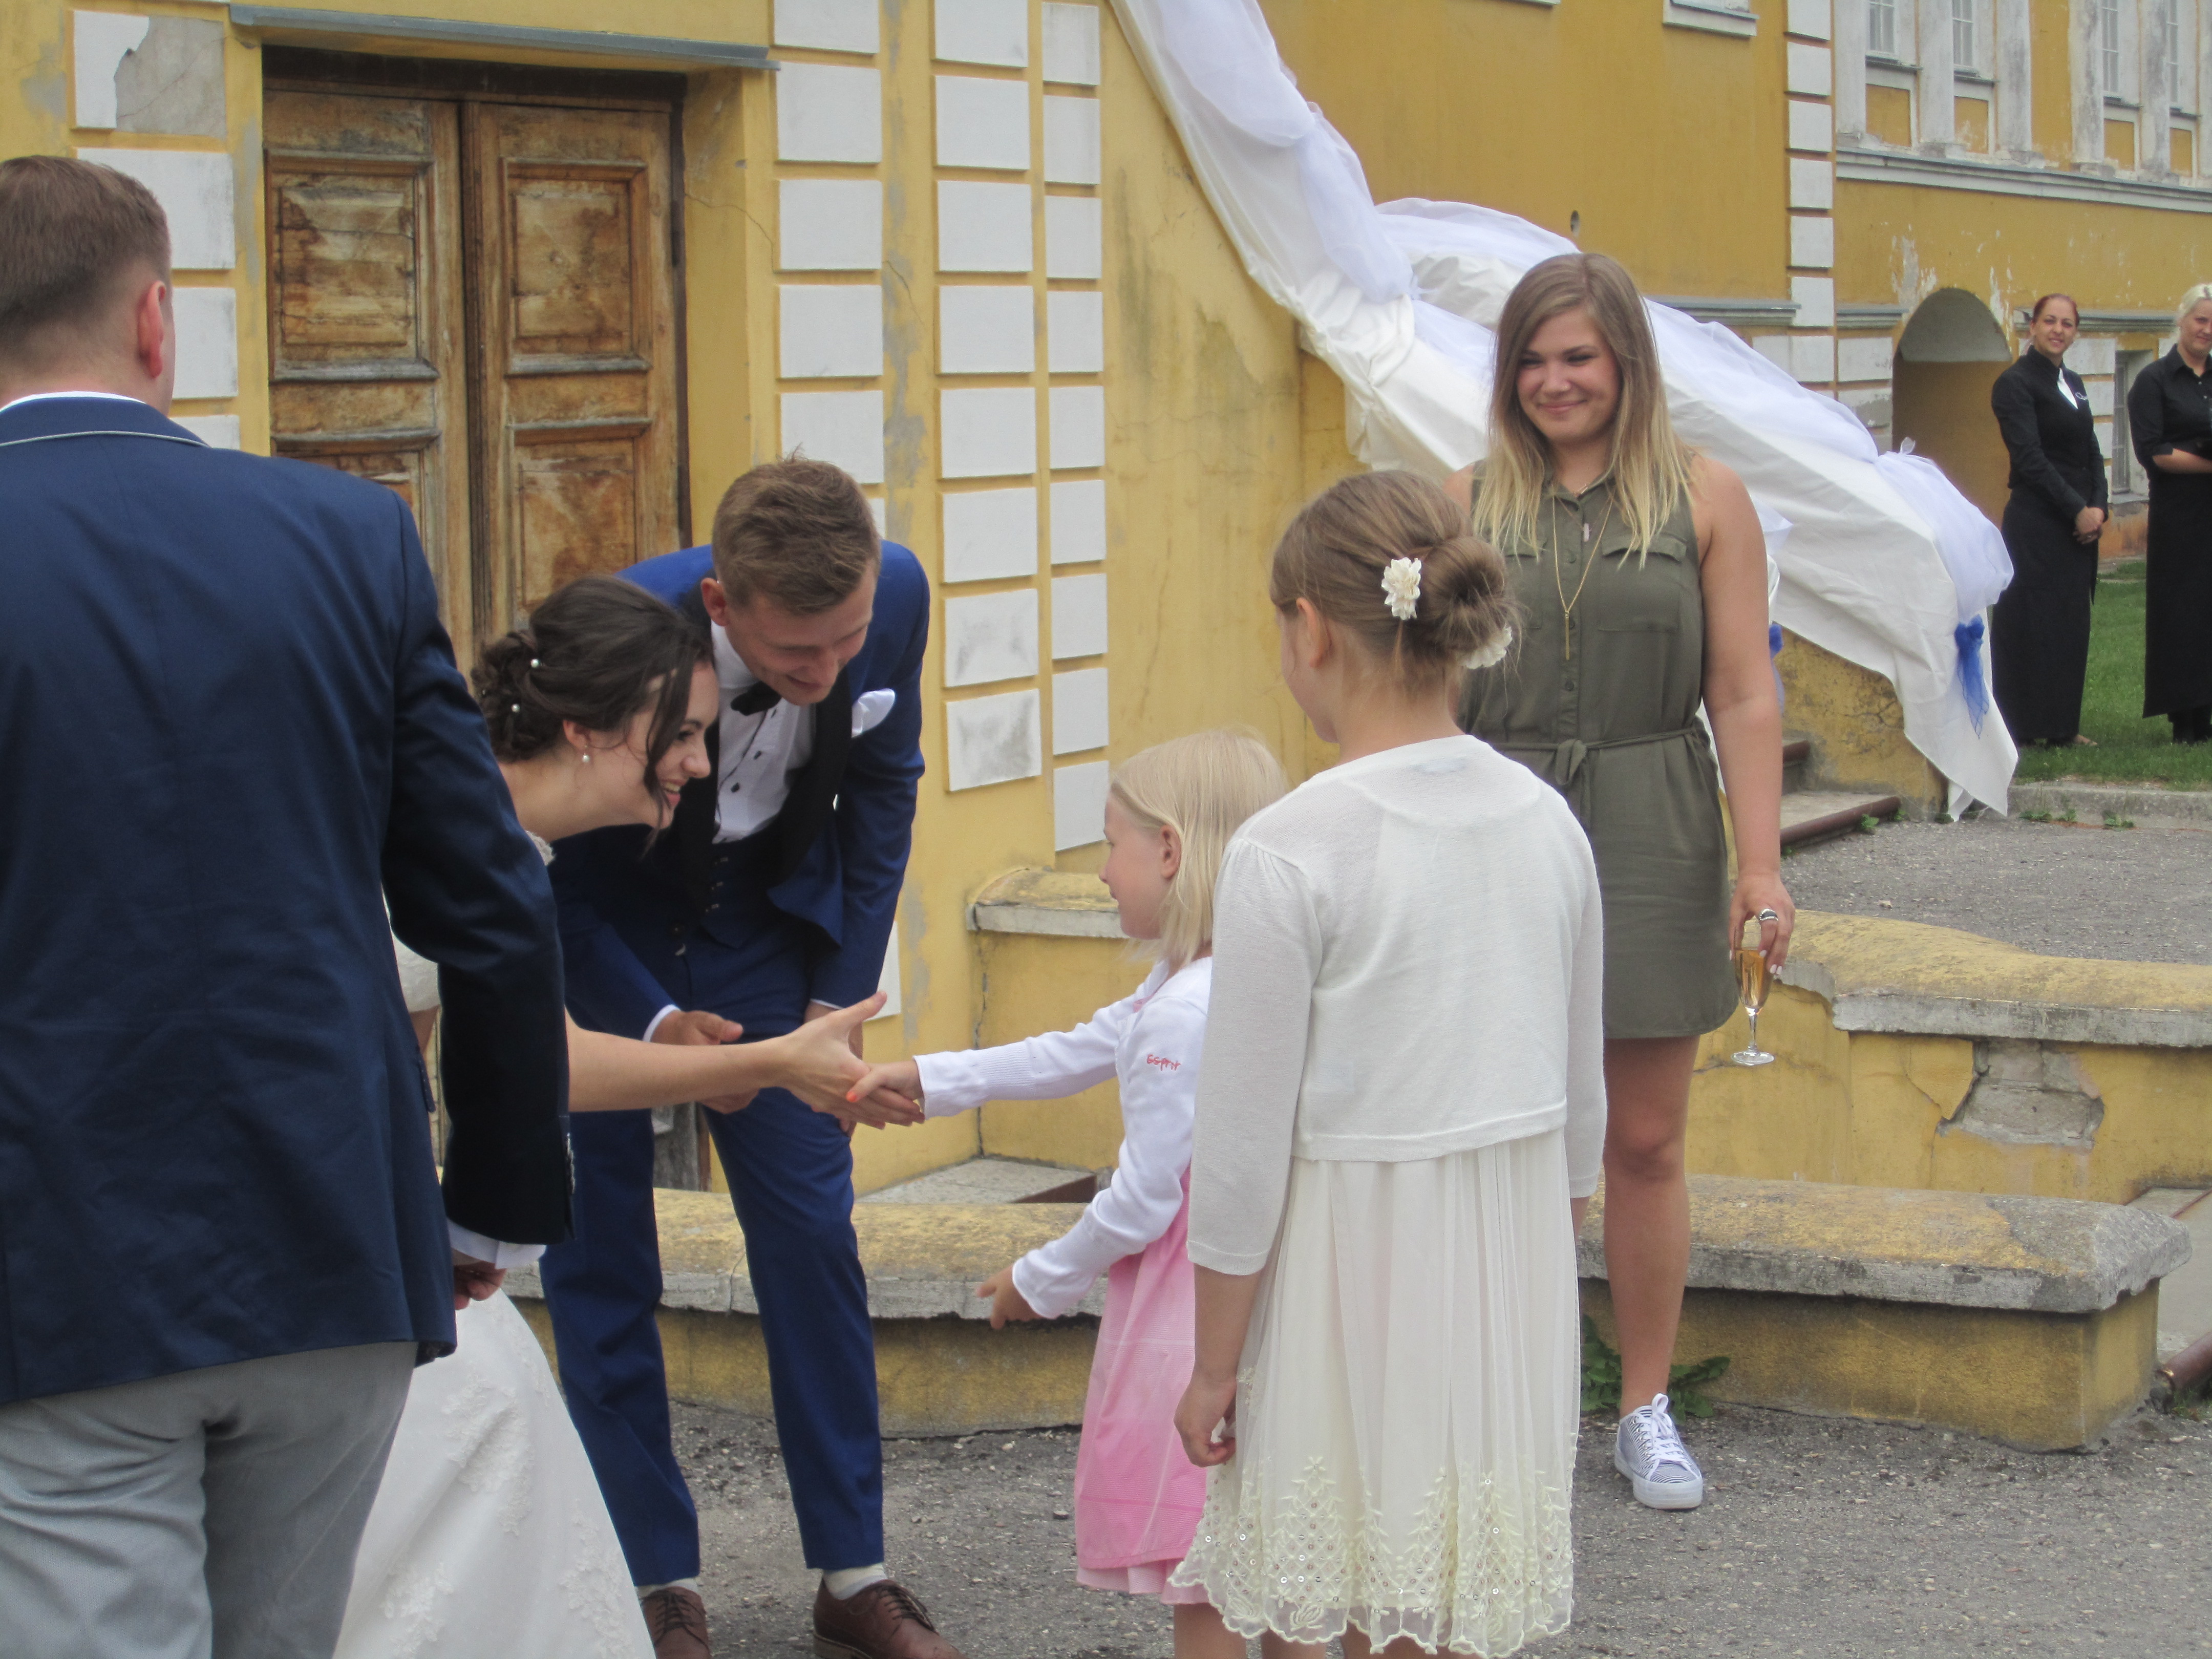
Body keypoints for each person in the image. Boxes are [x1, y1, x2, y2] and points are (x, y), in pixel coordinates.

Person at [0, 156, 568, 1658]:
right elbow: (494, 904)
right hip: (331, 1235)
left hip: (50, 1262)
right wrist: (490, 1202)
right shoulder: (347, 537)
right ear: (155, 321)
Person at [338, 576, 918, 1659]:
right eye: (682, 735)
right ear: (588, 732)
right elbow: (529, 1063)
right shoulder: (436, 829)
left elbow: (477, 1060)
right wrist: (770, 1060)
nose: (699, 764)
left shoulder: (504, 842)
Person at [1167, 471, 1605, 1656]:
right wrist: (1520, 1281)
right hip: (1503, 1279)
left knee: (1316, 1600)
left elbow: (1242, 1153)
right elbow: (1581, 1115)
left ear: (1309, 630)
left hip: (1338, 1286)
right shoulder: (1550, 822)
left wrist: (1214, 1365)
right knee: (1442, 1603)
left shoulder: (1288, 850)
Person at [544, 459, 946, 1659]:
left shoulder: (898, 593)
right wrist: (655, 1027)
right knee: (598, 1249)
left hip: (765, 934)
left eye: (848, 642)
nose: (828, 670)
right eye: (795, 653)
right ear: (720, 603)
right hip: (609, 942)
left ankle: (854, 1570)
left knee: (814, 1231)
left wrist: (838, 996)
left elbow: (885, 788)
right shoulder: (612, 633)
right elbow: (549, 873)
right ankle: (654, 1577)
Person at [1450, 251, 1791, 1512]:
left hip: (1652, 817)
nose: (1554, 381)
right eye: (1532, 360)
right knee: (1497, 1128)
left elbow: (1743, 691)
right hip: (1495, 820)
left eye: (1578, 356)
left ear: (1627, 363)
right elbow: (1420, 687)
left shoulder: (1706, 496)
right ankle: (1506, 1396)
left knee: (1643, 1138)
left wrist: (1762, 866)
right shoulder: (1463, 501)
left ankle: (1644, 1403)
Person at [849, 731, 1285, 1659]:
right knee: (1278, 1569)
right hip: (1271, 1296)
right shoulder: (1231, 982)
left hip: (1191, 1311)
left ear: (1170, 851)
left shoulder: (1179, 1012)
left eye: (1110, 844)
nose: (1100, 872)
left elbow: (1143, 1199)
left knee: (1205, 1572)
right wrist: (932, 1079)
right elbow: (1077, 1049)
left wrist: (1039, 1278)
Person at [1989, 294, 2108, 748]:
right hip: (2038, 521)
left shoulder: (2072, 382)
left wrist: (2099, 506)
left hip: (2079, 525)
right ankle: (2022, 726)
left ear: (2075, 332)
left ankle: (2062, 725)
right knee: (2032, 624)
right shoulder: (2015, 384)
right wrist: (2076, 508)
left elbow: (2091, 449)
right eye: (2050, 321)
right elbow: (2030, 458)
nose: (2059, 330)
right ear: (2033, 327)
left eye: (2067, 324)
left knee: (2070, 625)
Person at [2125, 284, 2212, 745]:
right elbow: (2155, 452)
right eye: (2201, 319)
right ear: (2181, 321)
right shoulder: (2154, 380)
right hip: (2179, 516)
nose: (2207, 330)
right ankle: (2184, 719)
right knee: (2182, 614)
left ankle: (2207, 713)